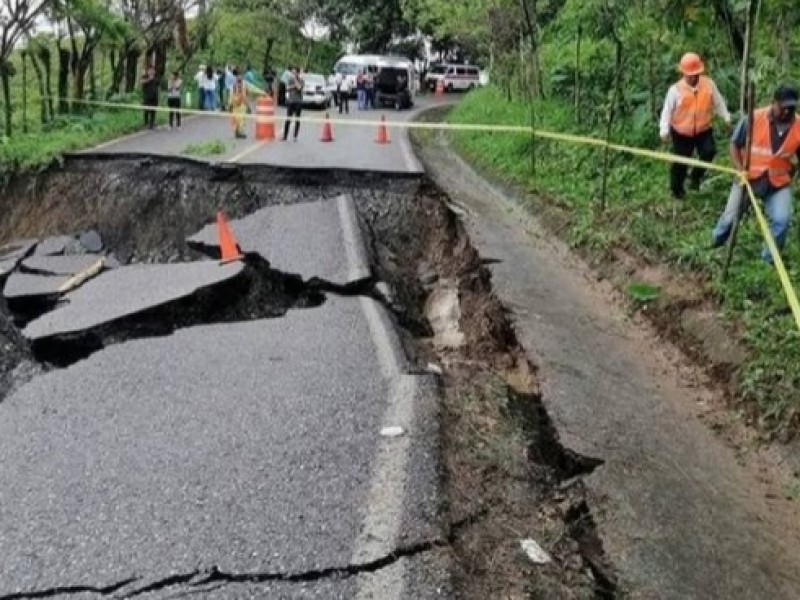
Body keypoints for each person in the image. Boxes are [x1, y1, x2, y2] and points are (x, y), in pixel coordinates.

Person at [711, 84, 800, 264]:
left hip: (777, 183)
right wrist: (739, 170)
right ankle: (715, 244)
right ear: (773, 102)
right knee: (730, 218)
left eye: (791, 108)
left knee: (781, 221)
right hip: (748, 178)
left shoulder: (799, 127)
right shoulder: (754, 118)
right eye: (783, 107)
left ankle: (767, 262)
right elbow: (734, 145)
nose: (786, 112)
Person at [659, 52, 731, 199]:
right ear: (683, 73)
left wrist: (726, 117)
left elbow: (718, 102)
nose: (693, 77)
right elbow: (667, 111)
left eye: (696, 73)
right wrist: (664, 130)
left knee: (709, 152)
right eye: (689, 74)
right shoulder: (675, 90)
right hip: (681, 132)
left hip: (703, 129)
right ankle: (677, 191)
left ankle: (695, 177)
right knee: (681, 162)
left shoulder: (708, 84)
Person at [282, 66, 304, 141]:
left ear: (298, 73)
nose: (293, 74)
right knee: (288, 119)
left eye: (294, 72)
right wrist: (294, 85)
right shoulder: (290, 79)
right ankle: (285, 136)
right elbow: (287, 88)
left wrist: (295, 81)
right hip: (291, 101)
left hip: (298, 102)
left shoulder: (301, 80)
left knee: (297, 119)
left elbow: (299, 88)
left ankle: (295, 136)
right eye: (292, 72)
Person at [229, 70, 248, 139]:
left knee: (242, 119)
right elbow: (231, 94)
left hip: (242, 104)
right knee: (236, 119)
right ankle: (237, 132)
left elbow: (246, 94)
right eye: (238, 76)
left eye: (241, 76)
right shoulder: (234, 85)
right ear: (236, 77)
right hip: (235, 104)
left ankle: (240, 132)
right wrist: (230, 104)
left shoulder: (244, 84)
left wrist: (247, 104)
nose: (239, 77)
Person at [141, 65, 159, 130]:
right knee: (146, 111)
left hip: (154, 97)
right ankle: (146, 124)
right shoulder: (144, 77)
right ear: (148, 71)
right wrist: (149, 79)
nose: (151, 72)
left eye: (153, 70)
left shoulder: (156, 78)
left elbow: (158, 86)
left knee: (153, 111)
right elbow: (142, 82)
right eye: (150, 70)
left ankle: (152, 124)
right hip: (147, 97)